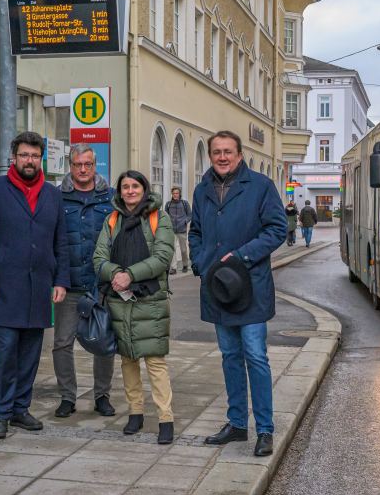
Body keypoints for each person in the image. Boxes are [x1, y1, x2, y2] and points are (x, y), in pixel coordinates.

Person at [189, 130, 287, 457]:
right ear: (210, 155)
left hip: (251, 287)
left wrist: (242, 257)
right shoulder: (202, 189)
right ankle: (236, 424)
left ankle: (265, 429)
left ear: (239, 155)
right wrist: (200, 262)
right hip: (217, 287)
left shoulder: (260, 186)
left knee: (255, 356)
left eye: (228, 151)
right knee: (230, 356)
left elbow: (277, 229)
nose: (222, 157)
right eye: (216, 151)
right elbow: (195, 232)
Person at [0, 131, 69, 439]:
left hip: (39, 286)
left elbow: (61, 242)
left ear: (41, 159)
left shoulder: (52, 194)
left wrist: (61, 280)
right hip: (4, 286)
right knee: (5, 352)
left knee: (30, 353)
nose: (30, 161)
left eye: (35, 156)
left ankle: (20, 409)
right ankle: (0, 413)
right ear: (13, 157)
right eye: (25, 155)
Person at [93, 170, 176, 445]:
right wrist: (116, 274)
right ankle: (135, 413)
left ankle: (165, 419)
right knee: (128, 359)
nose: (130, 191)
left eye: (135, 186)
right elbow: (98, 257)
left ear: (144, 189)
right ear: (120, 191)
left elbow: (163, 257)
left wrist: (129, 274)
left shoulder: (159, 218)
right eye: (125, 187)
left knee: (155, 361)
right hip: (119, 298)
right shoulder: (112, 220)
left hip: (150, 299)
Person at [52, 144, 116, 419]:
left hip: (101, 285)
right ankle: (67, 397)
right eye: (77, 164)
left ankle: (102, 396)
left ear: (94, 164)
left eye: (87, 164)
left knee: (103, 342)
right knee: (62, 343)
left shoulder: (110, 197)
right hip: (69, 284)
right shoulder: (57, 197)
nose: (82, 169)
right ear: (70, 165)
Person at [164, 187, 192, 274]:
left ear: (179, 194)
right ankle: (174, 268)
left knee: (183, 250)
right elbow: (166, 216)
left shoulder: (184, 203)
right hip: (171, 230)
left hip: (182, 230)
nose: (175, 195)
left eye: (177, 193)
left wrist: (185, 221)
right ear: (172, 194)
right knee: (173, 249)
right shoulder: (168, 204)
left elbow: (190, 215)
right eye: (174, 193)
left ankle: (185, 265)